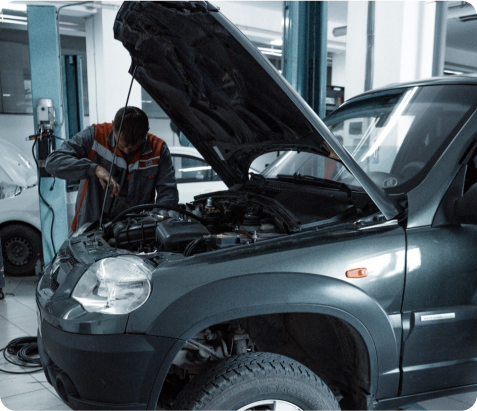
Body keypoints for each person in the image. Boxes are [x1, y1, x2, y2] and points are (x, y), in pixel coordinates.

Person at [45, 106, 179, 231]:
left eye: (133, 146)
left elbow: (168, 194)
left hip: (137, 232)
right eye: (122, 145)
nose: (127, 150)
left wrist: (154, 220)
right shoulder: (95, 136)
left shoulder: (158, 150)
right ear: (114, 125)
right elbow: (53, 162)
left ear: (146, 132)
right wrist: (94, 169)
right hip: (90, 231)